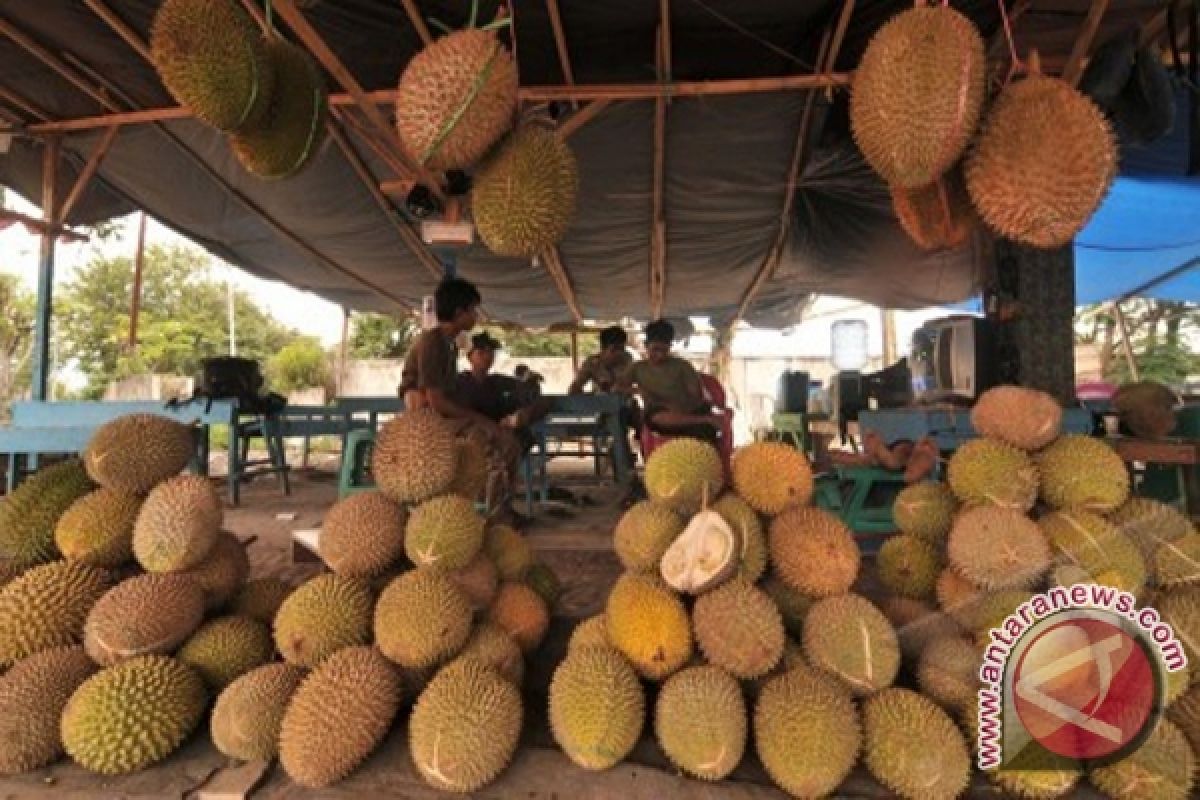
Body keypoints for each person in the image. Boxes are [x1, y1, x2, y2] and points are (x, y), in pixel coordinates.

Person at [616, 318, 721, 445]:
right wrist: (638, 390)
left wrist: (677, 405)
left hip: (686, 410)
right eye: (655, 349)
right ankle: (703, 420)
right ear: (646, 345)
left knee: (706, 432)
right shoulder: (637, 368)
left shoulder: (683, 366)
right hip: (661, 416)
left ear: (670, 347)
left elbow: (696, 397)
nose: (660, 355)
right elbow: (617, 387)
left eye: (664, 350)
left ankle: (702, 422)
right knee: (655, 417)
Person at [569, 326, 633, 395]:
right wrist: (588, 399)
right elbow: (574, 388)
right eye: (615, 349)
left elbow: (627, 385)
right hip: (600, 402)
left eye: (622, 349)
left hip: (622, 403)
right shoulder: (591, 363)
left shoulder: (626, 359)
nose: (620, 353)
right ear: (603, 349)